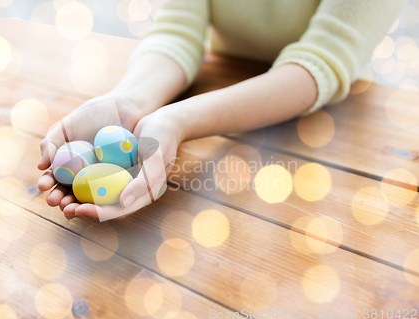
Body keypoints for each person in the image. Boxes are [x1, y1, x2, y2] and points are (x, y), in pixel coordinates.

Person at [37, 0, 406, 220]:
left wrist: (178, 119)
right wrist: (130, 101)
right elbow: (177, 32)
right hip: (222, 103)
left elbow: (322, 62)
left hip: (338, 138)